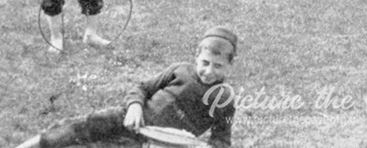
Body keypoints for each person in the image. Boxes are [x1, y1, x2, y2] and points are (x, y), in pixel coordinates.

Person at [15, 26, 238, 148]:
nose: (209, 71)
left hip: (160, 142)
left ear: (230, 65)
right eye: (205, 63)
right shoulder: (179, 70)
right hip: (129, 118)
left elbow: (222, 139)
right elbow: (141, 88)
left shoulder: (224, 99)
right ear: (196, 56)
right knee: (82, 126)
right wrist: (134, 106)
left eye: (218, 66)